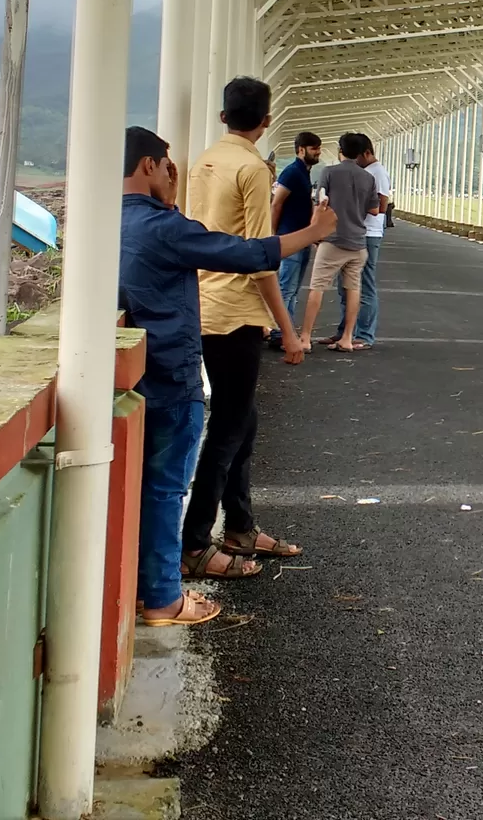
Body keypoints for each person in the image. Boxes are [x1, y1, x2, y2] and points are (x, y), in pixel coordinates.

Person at [118, 126, 335, 625]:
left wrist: (168, 201)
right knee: (165, 489)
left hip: (130, 377)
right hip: (170, 375)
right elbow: (246, 254)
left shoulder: (111, 220)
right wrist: (314, 232)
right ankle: (164, 599)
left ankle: (147, 587)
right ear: (151, 166)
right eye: (166, 166)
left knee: (142, 488)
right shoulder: (163, 227)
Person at [185, 77, 310, 576]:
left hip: (202, 303)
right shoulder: (253, 169)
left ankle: (239, 525)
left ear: (222, 117)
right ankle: (196, 543)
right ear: (266, 120)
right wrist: (291, 331)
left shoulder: (204, 161)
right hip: (236, 312)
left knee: (243, 421)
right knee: (230, 427)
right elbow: (261, 257)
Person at [302, 132, 378, 352]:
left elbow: (320, 203)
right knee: (353, 289)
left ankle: (305, 338)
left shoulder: (329, 172)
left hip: (333, 240)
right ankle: (346, 338)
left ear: (340, 151)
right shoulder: (368, 178)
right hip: (358, 242)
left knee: (317, 287)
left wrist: (314, 233)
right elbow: (374, 209)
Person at [332, 140, 391, 349]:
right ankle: (344, 331)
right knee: (345, 285)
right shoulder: (364, 171)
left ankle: (364, 335)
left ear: (366, 153)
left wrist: (353, 208)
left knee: (364, 284)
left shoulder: (377, 172)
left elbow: (382, 205)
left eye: (356, 157)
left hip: (369, 233)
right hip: (355, 232)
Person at [270, 131, 322, 345]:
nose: (317, 152)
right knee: (286, 288)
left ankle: (284, 332)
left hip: (301, 238)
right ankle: (279, 333)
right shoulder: (292, 172)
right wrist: (273, 234)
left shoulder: (303, 173)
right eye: (313, 148)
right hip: (289, 237)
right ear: (301, 150)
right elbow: (276, 203)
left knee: (291, 290)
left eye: (318, 148)